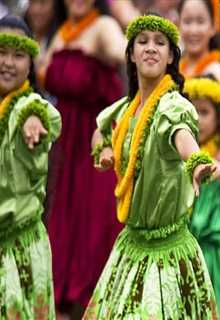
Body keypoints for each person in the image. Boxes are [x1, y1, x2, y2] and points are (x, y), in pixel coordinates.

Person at [83, 14, 217, 319]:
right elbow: (99, 131)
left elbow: (182, 136)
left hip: (167, 252)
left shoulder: (173, 106)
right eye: (142, 42)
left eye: (160, 43)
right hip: (131, 246)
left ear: (171, 55)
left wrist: (196, 163)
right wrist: (104, 150)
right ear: (131, 53)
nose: (151, 48)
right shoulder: (124, 110)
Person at [41, 0, 126, 315]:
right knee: (65, 241)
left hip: (96, 152)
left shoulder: (103, 27)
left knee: (94, 238)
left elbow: (126, 52)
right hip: (65, 156)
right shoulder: (62, 33)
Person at [0, 14, 61, 319]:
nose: (8, 62)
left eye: (18, 55)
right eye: (1, 52)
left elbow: (47, 116)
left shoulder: (29, 106)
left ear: (30, 63)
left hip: (20, 247)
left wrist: (34, 119)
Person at [184, 76, 220, 320]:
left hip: (213, 251)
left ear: (219, 118)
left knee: (216, 303)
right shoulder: (182, 155)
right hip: (186, 247)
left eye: (205, 111)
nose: (198, 118)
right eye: (193, 111)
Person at [179, 0, 220, 81]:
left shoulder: (215, 73)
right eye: (187, 21)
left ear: (213, 26)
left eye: (200, 22)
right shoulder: (174, 70)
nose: (193, 30)